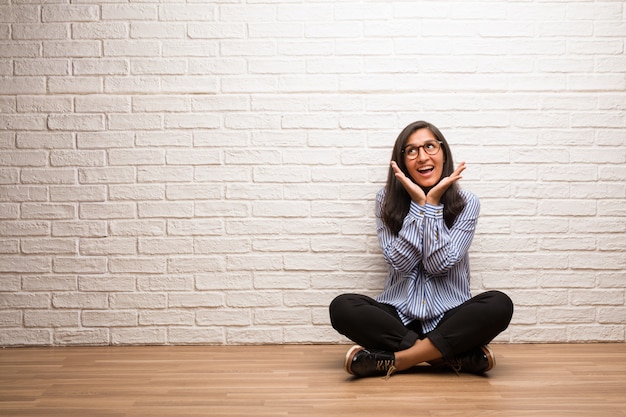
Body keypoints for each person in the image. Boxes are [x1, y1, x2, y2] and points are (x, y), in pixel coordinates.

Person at [329, 120, 514, 379]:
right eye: (412, 150)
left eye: (430, 146)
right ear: (402, 161)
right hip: (399, 318)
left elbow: (440, 265)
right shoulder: (385, 200)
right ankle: (447, 356)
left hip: (449, 316)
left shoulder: (467, 202)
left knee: (499, 304)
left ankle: (397, 360)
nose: (422, 157)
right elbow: (399, 264)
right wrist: (418, 205)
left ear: (443, 153)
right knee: (342, 307)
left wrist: (433, 204)